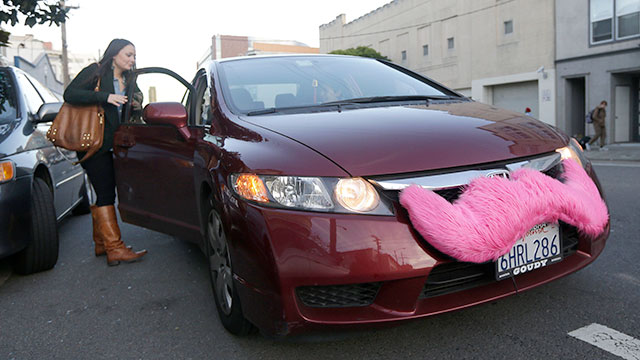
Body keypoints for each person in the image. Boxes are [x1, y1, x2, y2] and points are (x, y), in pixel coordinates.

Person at [64, 39, 147, 266]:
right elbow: (70, 94)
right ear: (114, 54)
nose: (132, 59)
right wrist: (105, 97)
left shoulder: (130, 78)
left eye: (134, 55)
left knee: (105, 191)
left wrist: (137, 102)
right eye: (128, 54)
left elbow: (138, 97)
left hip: (115, 144)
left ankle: (102, 243)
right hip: (93, 143)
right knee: (106, 192)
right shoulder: (95, 72)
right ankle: (115, 248)